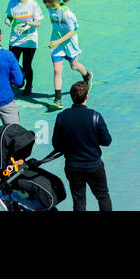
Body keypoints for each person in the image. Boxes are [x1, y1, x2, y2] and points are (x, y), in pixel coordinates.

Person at [52, 78, 112, 211]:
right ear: (86, 97)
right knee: (103, 196)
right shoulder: (95, 116)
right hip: (94, 165)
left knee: (79, 201)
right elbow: (107, 141)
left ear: (72, 97)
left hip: (73, 167)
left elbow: (56, 144)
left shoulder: (62, 117)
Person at [42, 0, 91, 110]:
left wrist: (58, 41)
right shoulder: (50, 10)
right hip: (57, 45)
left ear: (52, 3)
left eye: (46, 4)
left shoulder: (67, 13)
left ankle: (87, 75)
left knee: (74, 66)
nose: (45, 7)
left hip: (69, 44)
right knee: (57, 71)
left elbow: (73, 31)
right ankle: (58, 99)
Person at [4, 0, 43, 96]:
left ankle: (29, 86)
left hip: (29, 40)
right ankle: (20, 79)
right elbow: (9, 16)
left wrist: (28, 24)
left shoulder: (33, 4)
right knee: (12, 63)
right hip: (15, 40)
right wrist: (7, 21)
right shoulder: (12, 3)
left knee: (27, 65)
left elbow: (38, 23)